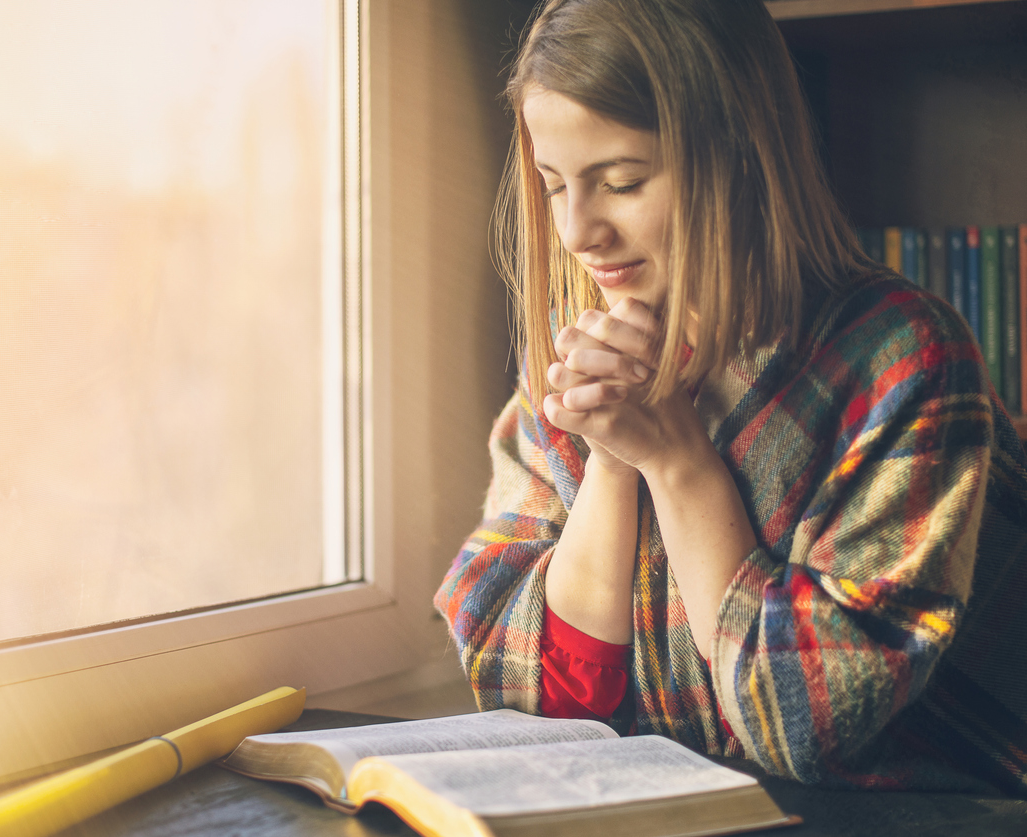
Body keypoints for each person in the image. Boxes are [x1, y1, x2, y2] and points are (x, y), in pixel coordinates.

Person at [434, 0, 1027, 796]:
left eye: (621, 182)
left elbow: (807, 720)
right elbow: (537, 700)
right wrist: (611, 462)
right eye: (553, 185)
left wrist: (676, 460)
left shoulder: (903, 359)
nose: (577, 230)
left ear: (739, 155)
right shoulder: (578, 352)